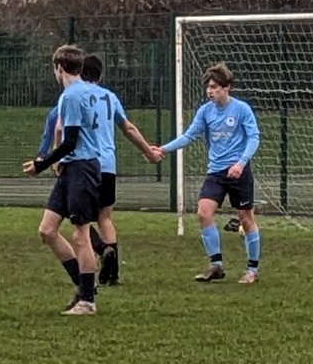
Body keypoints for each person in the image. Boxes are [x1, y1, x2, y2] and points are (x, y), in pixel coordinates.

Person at [150, 62, 261, 284]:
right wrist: (163, 149)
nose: (210, 91)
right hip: (216, 173)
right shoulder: (205, 111)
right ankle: (216, 265)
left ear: (227, 87)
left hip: (238, 172)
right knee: (203, 212)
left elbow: (254, 137)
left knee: (245, 218)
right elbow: (189, 135)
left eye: (214, 86)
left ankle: (252, 270)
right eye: (208, 87)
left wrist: (240, 163)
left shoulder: (241, 109)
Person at [22, 44, 103, 315]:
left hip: (82, 168)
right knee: (47, 230)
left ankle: (88, 301)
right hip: (71, 169)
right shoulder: (84, 92)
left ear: (59, 68)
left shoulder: (70, 96)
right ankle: (84, 285)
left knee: (80, 235)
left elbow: (70, 141)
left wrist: (41, 163)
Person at [80, 53, 158, 285]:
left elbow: (63, 128)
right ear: (100, 74)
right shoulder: (110, 97)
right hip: (108, 165)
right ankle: (112, 273)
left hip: (85, 163)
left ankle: (102, 249)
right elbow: (128, 128)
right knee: (105, 217)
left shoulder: (76, 96)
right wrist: (148, 151)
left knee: (77, 219)